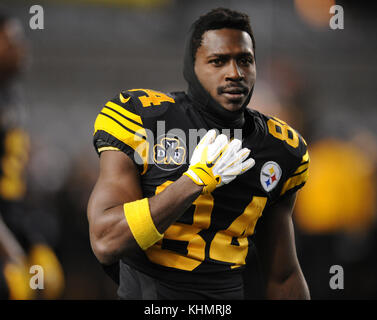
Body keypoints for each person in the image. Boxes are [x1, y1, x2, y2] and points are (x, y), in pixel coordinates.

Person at [88, 7, 310, 300]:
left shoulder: (280, 149)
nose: (235, 73)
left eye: (245, 60)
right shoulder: (143, 120)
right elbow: (106, 240)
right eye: (218, 61)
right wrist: (193, 181)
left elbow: (282, 276)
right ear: (192, 67)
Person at [0, 8, 64, 299]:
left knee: (47, 277)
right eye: (10, 38)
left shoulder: (10, 94)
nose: (19, 47)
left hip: (12, 210)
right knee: (16, 286)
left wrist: (29, 236)